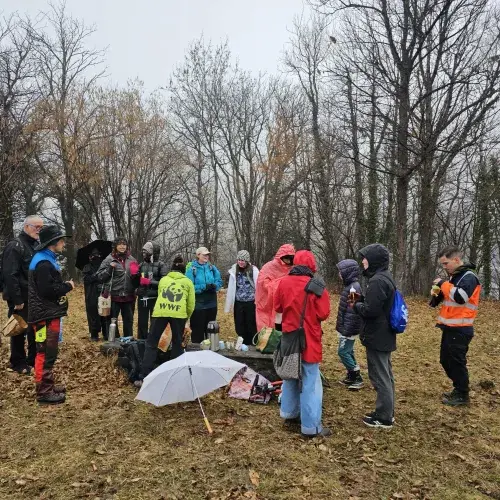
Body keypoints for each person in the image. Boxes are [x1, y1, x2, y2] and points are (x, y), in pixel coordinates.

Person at [274, 250, 331, 438]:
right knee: (310, 381)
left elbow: (278, 307)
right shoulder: (317, 286)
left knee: (290, 375)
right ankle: (311, 426)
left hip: (290, 337)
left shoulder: (283, 282)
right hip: (309, 339)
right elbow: (323, 313)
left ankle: (289, 413)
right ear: (312, 266)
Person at [351, 243, 397, 429]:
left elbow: (371, 310)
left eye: (365, 258)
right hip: (384, 333)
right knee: (386, 373)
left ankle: (384, 416)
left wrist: (356, 305)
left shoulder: (377, 281)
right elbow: (377, 304)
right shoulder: (385, 278)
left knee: (380, 375)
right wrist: (363, 301)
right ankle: (387, 412)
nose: (362, 261)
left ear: (374, 261)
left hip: (378, 334)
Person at [28, 225, 74, 404]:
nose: (63, 243)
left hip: (47, 312)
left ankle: (47, 384)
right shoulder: (43, 263)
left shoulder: (46, 259)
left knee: (49, 352)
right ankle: (44, 393)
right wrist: (67, 286)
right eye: (61, 240)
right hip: (44, 315)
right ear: (52, 243)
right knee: (45, 352)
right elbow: (47, 290)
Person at [429, 246, 481, 406]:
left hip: (461, 329)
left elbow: (460, 297)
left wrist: (444, 284)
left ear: (456, 260)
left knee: (456, 362)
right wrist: (436, 294)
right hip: (449, 327)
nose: (444, 267)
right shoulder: (454, 278)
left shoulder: (469, 277)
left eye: (446, 263)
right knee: (445, 360)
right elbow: (446, 297)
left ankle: (462, 394)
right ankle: (458, 388)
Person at [135, 256, 195, 386]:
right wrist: (186, 317)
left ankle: (144, 376)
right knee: (177, 344)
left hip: (160, 312)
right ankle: (173, 377)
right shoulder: (188, 282)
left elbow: (161, 294)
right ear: (184, 270)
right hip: (179, 314)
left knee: (151, 343)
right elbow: (191, 304)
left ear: (171, 269)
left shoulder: (164, 280)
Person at [1, 215, 43, 374]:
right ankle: (17, 362)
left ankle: (32, 359)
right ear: (26, 227)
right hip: (20, 298)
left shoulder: (35, 246)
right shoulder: (15, 246)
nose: (39, 230)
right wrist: (17, 299)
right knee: (18, 330)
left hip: (34, 296)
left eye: (41, 227)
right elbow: (10, 274)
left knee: (35, 329)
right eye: (36, 227)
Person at [97, 237, 139, 338]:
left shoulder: (132, 260)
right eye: (119, 244)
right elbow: (99, 276)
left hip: (129, 296)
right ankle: (113, 343)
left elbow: (137, 279)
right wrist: (109, 268)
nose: (122, 246)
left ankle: (128, 343)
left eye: (124, 244)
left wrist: (136, 276)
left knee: (128, 322)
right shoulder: (109, 259)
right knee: (112, 322)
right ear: (115, 246)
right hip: (114, 296)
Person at [336, 259, 363, 390]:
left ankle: (356, 376)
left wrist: (347, 330)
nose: (339, 275)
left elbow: (353, 310)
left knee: (343, 352)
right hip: (345, 327)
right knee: (348, 351)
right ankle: (351, 375)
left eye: (341, 272)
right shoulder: (349, 287)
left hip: (349, 329)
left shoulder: (353, 288)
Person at [185, 247, 223, 343]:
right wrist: (204, 287)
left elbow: (219, 281)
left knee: (210, 330)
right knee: (198, 332)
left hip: (211, 304)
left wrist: (215, 286)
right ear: (198, 255)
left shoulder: (211, 267)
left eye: (207, 254)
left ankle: (211, 352)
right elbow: (190, 287)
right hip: (198, 305)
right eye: (204, 254)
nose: (206, 256)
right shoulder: (191, 269)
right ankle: (197, 353)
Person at [255, 243, 295, 332]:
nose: (288, 261)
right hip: (266, 305)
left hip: (284, 306)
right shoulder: (269, 267)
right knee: (266, 331)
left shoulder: (292, 269)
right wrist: (281, 285)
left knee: (282, 330)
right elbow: (263, 283)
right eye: (286, 258)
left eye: (290, 258)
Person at [224, 250, 260, 345]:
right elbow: (232, 287)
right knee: (239, 324)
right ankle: (242, 342)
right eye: (239, 260)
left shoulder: (253, 270)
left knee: (251, 324)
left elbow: (258, 285)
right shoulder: (234, 270)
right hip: (239, 302)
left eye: (243, 260)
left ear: (247, 261)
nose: (240, 262)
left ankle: (252, 343)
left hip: (251, 302)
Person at [136, 241, 168, 339]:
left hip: (155, 298)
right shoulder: (141, 265)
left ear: (153, 253)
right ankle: (141, 341)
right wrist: (136, 287)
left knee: (155, 322)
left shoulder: (161, 265)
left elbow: (165, 283)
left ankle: (154, 341)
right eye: (143, 252)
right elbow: (136, 282)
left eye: (146, 252)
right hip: (143, 298)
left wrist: (150, 282)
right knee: (142, 322)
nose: (144, 254)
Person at [82, 248, 107, 341]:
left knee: (105, 313)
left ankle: (106, 333)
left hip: (103, 292)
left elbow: (106, 277)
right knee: (93, 314)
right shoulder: (87, 267)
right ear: (90, 257)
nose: (96, 257)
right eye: (93, 255)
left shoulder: (103, 266)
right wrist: (96, 276)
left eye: (97, 255)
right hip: (91, 293)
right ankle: (94, 334)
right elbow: (86, 280)